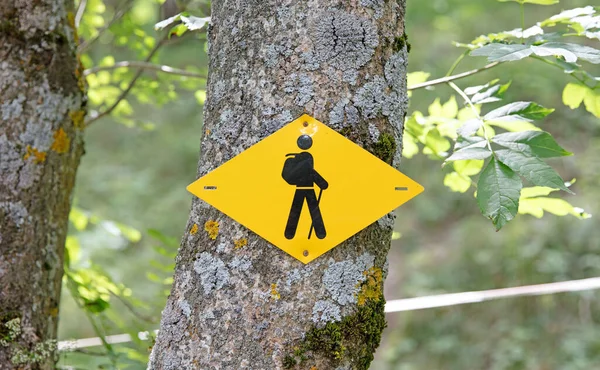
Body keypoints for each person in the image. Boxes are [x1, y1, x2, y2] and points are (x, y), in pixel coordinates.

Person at [282, 135, 328, 239]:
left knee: (296, 211)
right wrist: (323, 184)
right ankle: (320, 233)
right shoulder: (307, 167)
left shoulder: (300, 167)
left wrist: (323, 184)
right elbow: (316, 176)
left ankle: (289, 233)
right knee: (314, 210)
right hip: (309, 190)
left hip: (300, 190)